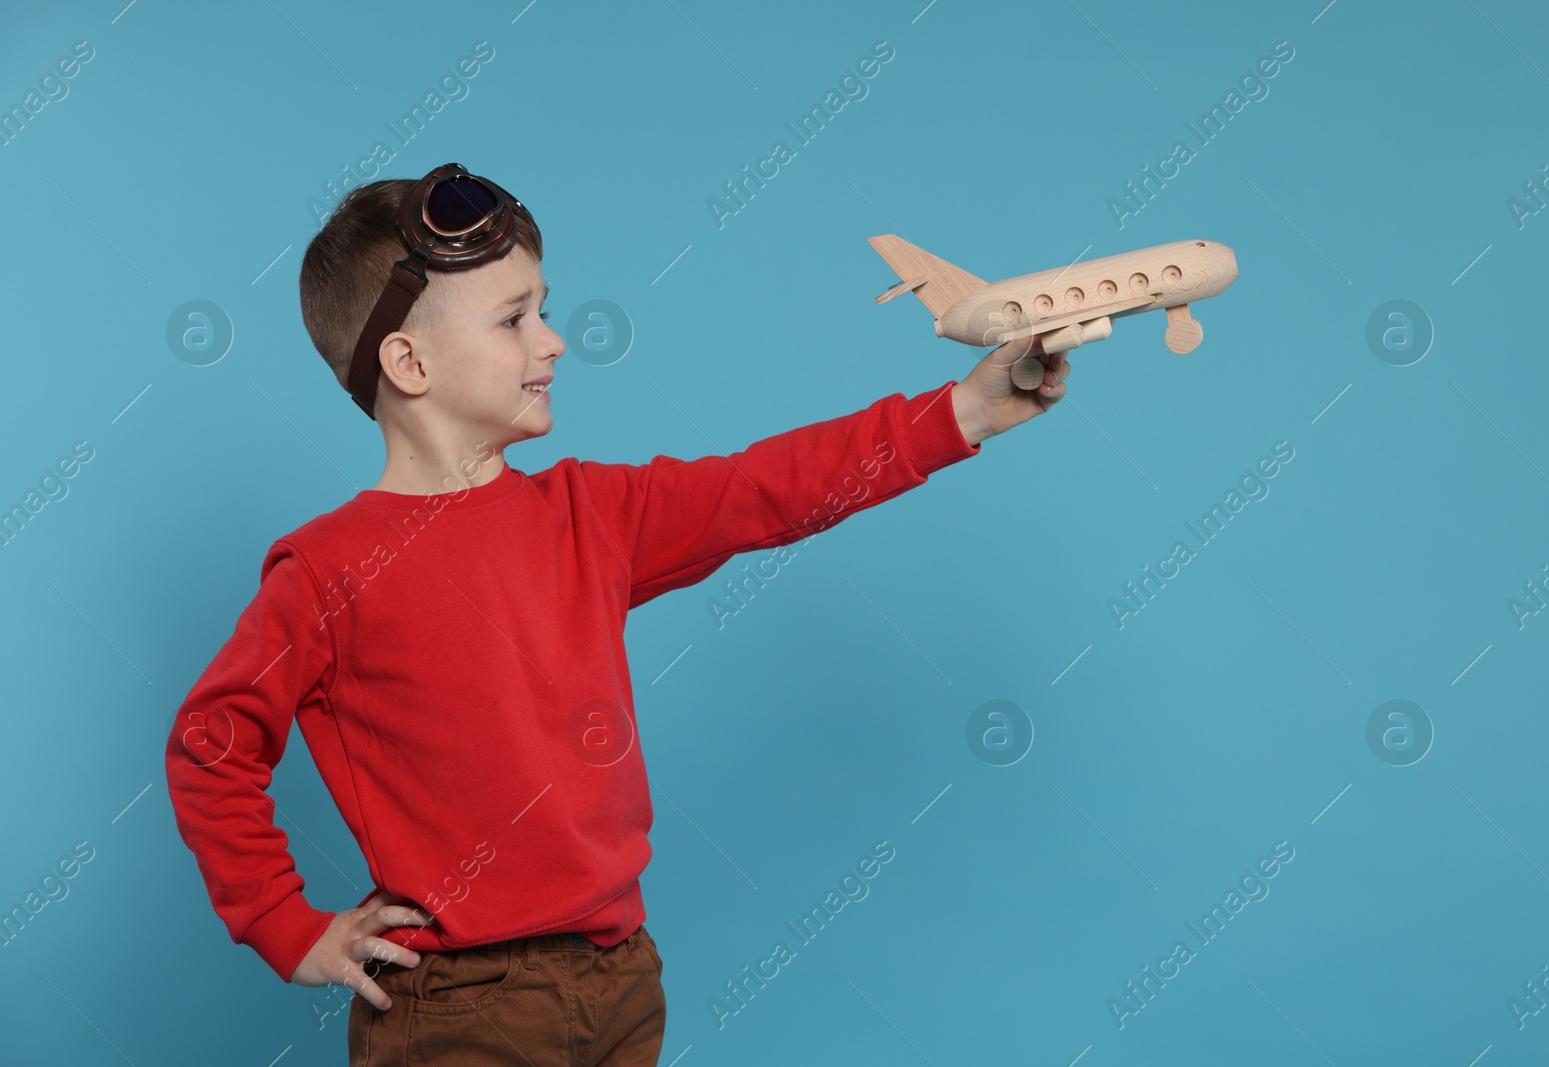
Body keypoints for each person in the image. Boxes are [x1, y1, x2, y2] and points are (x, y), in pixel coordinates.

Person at [162, 163, 1068, 1066]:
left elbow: (765, 488)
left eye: (543, 310)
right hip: (456, 1008)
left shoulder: (590, 514)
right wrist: (286, 925)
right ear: (409, 361)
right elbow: (212, 742)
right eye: (514, 319)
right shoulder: (326, 568)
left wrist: (964, 412)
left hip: (620, 977)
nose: (553, 342)